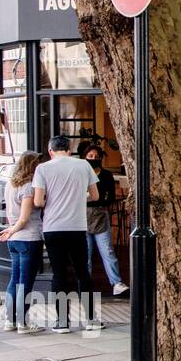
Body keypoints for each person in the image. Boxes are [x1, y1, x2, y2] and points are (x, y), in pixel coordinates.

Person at [33, 136, 98, 333]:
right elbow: (95, 196)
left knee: (59, 274)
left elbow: (38, 202)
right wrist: (79, 197)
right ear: (69, 150)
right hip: (77, 227)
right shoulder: (83, 165)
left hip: (53, 228)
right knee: (82, 273)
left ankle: (62, 322)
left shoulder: (43, 168)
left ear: (50, 151)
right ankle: (90, 320)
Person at [0, 152, 44, 334]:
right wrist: (12, 230)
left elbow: (11, 213)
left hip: (14, 241)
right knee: (25, 283)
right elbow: (24, 218)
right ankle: (22, 323)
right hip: (28, 238)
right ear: (32, 166)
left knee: (15, 281)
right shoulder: (28, 187)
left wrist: (11, 231)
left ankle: (10, 321)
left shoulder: (10, 184)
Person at [81, 144, 126, 298]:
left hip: (100, 215)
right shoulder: (80, 174)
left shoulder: (106, 175)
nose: (94, 159)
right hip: (82, 216)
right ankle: (85, 286)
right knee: (85, 254)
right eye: (90, 156)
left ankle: (116, 283)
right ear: (84, 157)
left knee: (107, 251)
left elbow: (111, 196)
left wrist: (101, 204)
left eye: (96, 156)